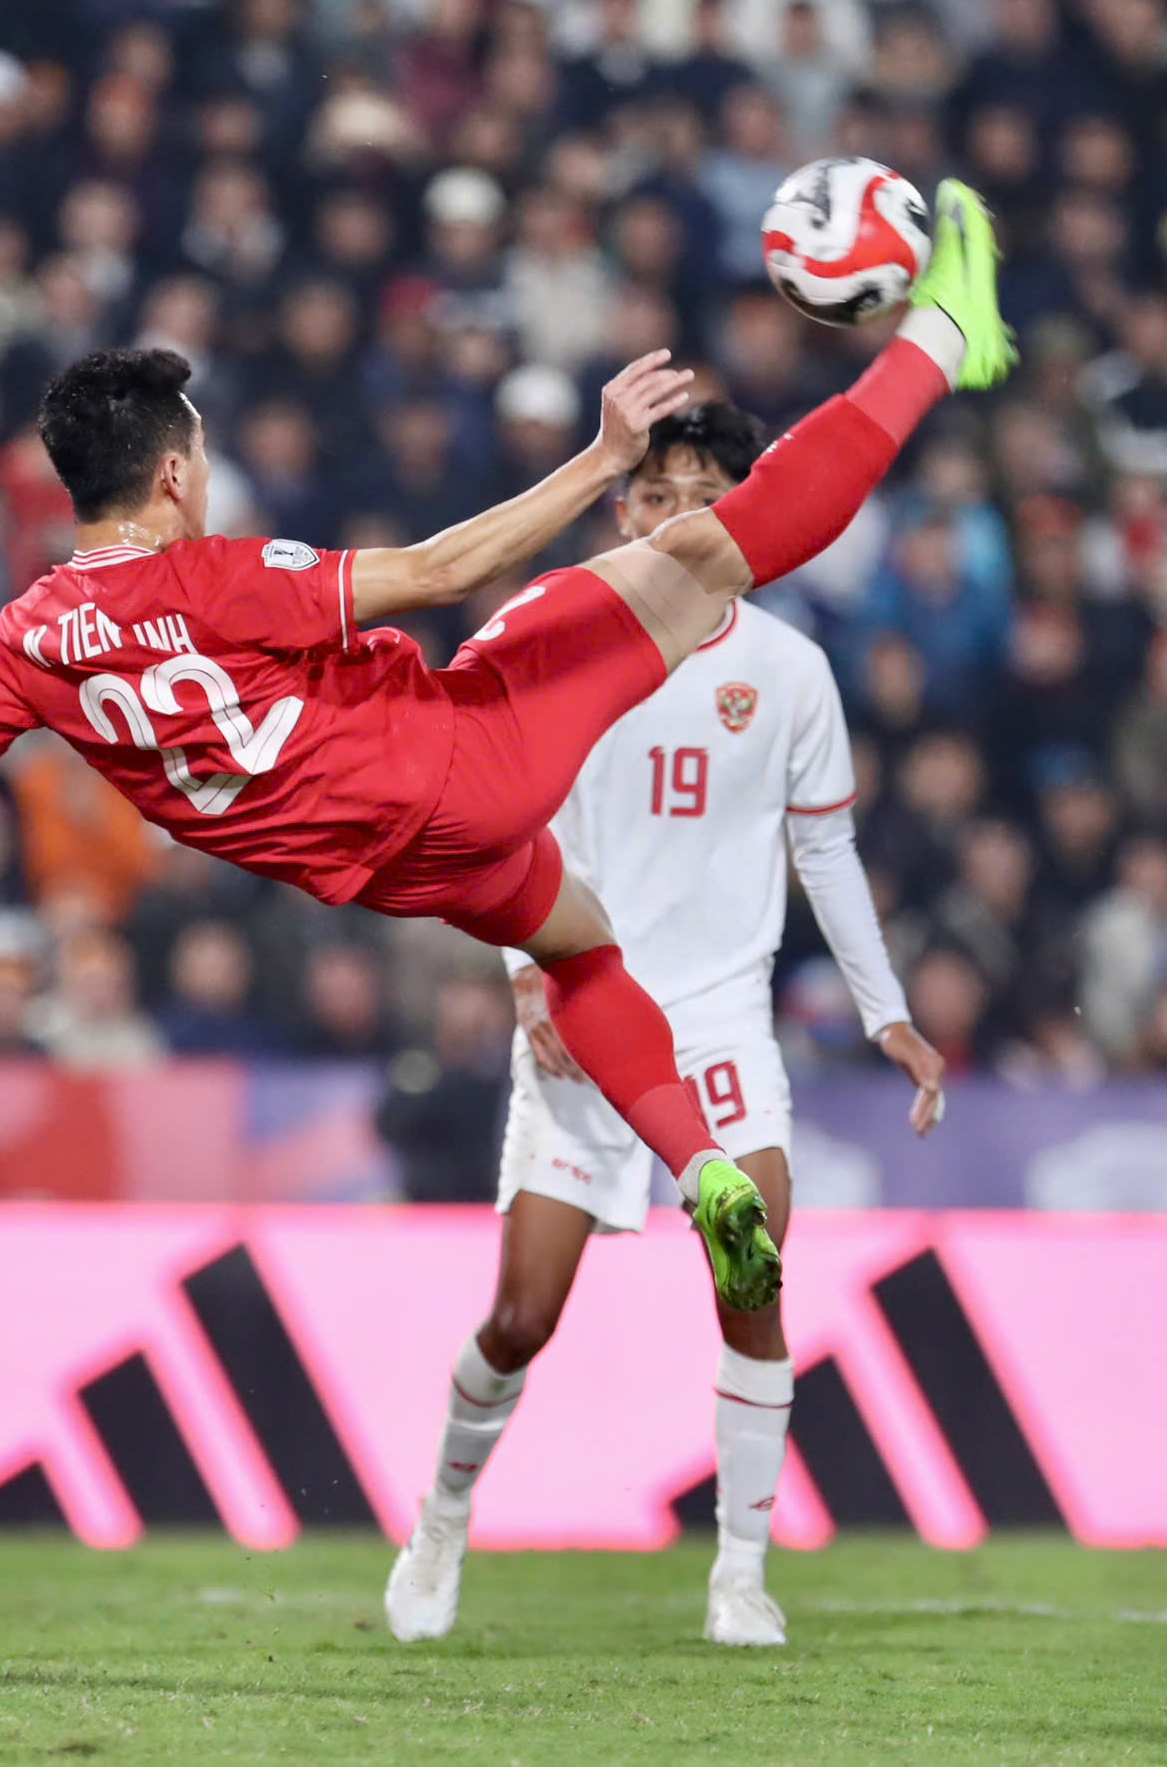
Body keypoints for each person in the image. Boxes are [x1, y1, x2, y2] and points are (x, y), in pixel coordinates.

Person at [0, 181, 1014, 1318]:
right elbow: (450, 567)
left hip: (381, 869)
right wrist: (600, 461)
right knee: (706, 555)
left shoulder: (20, 639)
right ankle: (948, 330)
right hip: (460, 758)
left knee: (579, 946)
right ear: (172, 475)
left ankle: (706, 1173)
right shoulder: (216, 579)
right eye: (205, 454)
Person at [382, 402, 948, 1651]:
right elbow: (485, 815)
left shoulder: (791, 669)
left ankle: (740, 1575)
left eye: (704, 492)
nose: (676, 513)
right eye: (653, 493)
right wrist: (524, 968)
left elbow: (826, 847)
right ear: (617, 509)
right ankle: (439, 1520)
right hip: (583, 1004)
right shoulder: (561, 632)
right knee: (521, 1318)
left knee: (754, 1279)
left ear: (744, 509)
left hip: (720, 1019)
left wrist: (886, 1013)